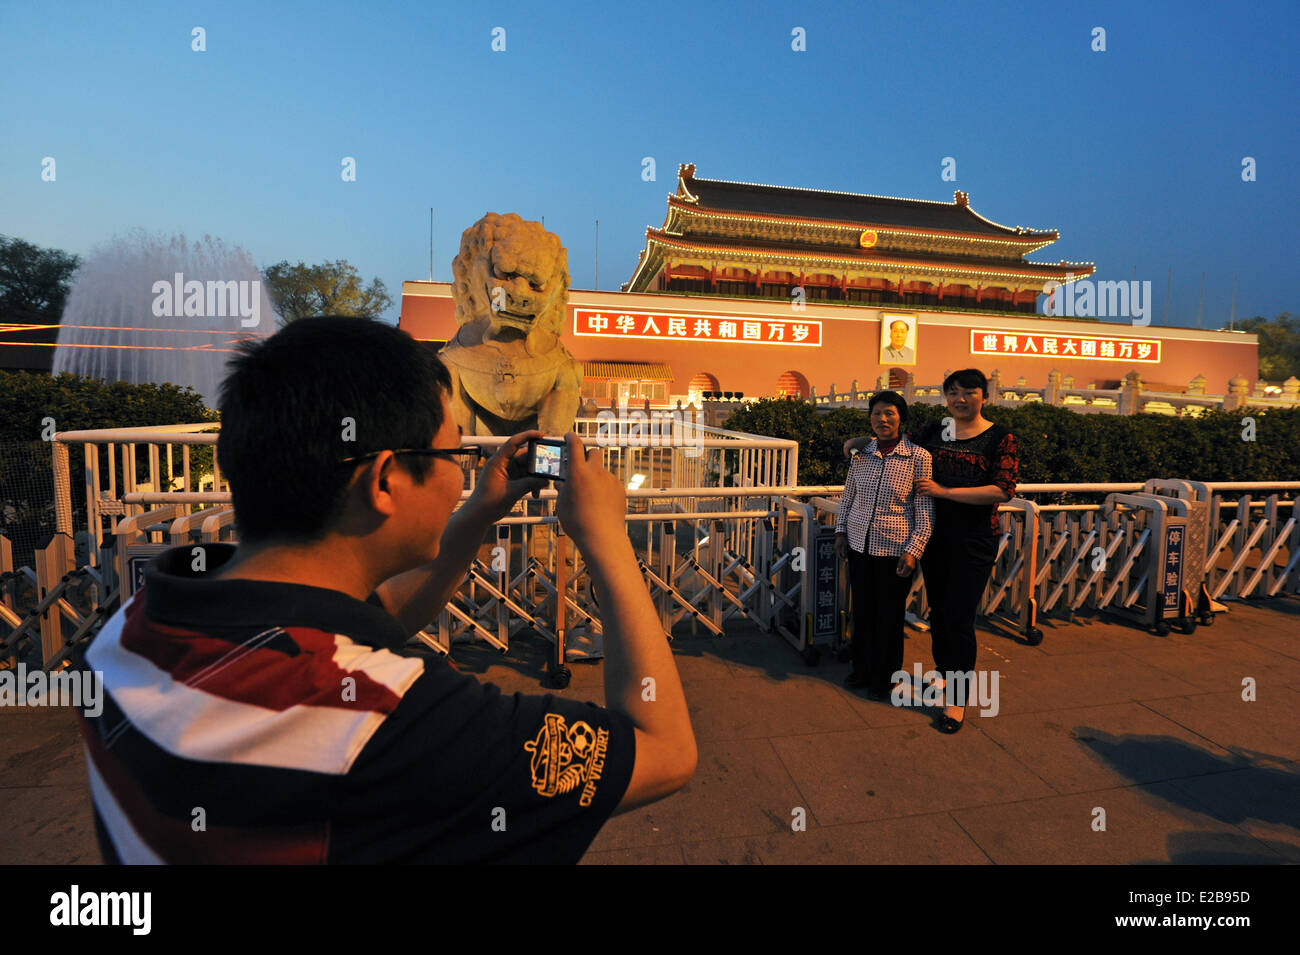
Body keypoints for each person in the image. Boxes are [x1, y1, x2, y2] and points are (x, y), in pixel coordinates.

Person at [75, 317, 696, 863]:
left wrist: (477, 511)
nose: (463, 473)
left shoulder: (130, 630)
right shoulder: (388, 717)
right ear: (383, 480)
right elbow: (664, 751)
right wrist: (609, 541)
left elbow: (367, 619)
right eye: (456, 454)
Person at [844, 369, 1017, 733]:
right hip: (935, 539)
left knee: (958, 619)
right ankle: (943, 674)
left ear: (984, 396)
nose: (959, 399)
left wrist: (945, 492)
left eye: (968, 392)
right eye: (952, 393)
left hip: (972, 540)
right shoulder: (937, 432)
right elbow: (895, 438)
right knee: (939, 615)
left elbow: (1003, 490)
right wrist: (860, 440)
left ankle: (956, 702)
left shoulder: (1000, 438)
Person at [835, 391, 934, 700]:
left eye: (889, 413)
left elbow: (924, 509)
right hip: (858, 543)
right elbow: (849, 496)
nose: (883, 419)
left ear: (900, 418)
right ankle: (860, 669)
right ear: (870, 419)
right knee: (862, 611)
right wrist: (840, 532)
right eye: (877, 413)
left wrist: (914, 549)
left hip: (894, 549)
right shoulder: (862, 454)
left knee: (889, 616)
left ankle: (884, 677)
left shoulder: (918, 457)